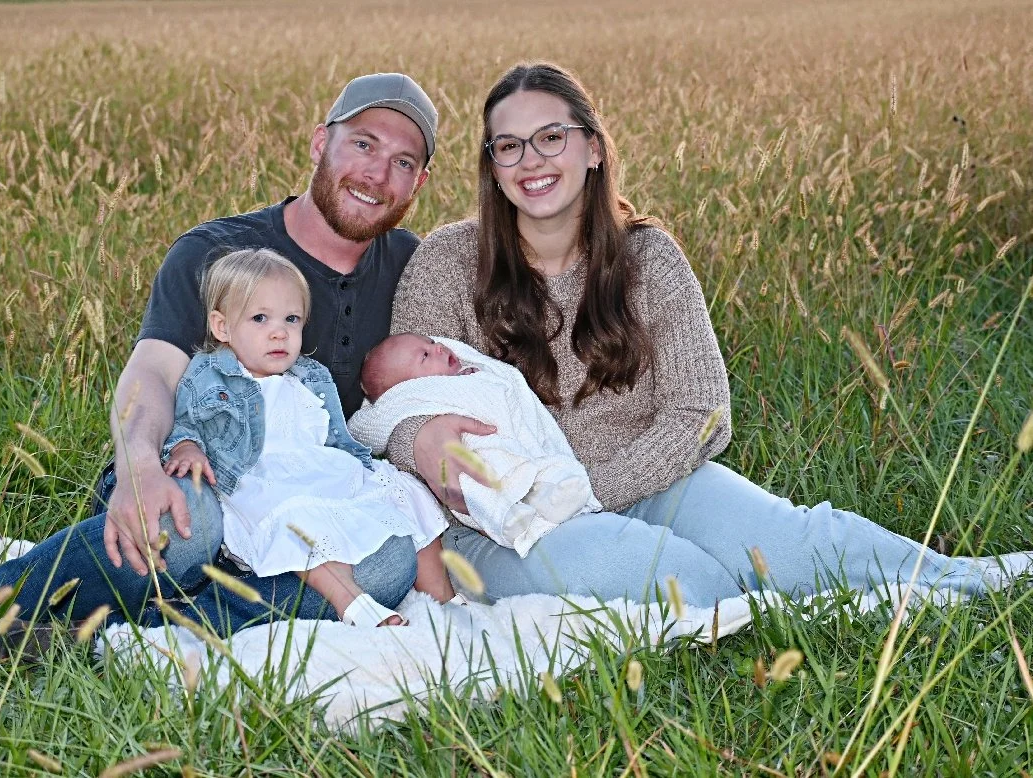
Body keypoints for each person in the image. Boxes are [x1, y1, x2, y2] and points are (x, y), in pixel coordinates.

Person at [384, 61, 1033, 607]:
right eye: (509, 145)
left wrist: (592, 492)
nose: (531, 161)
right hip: (505, 521)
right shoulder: (446, 263)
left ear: (593, 148)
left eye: (551, 137)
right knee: (653, 574)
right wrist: (424, 444)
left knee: (786, 545)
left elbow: (702, 412)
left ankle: (968, 580)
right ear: (491, 165)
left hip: (651, 479)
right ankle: (751, 607)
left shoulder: (648, 258)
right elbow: (398, 410)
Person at [0, 73, 440, 656]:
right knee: (187, 526)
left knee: (386, 568)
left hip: (300, 502)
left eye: (402, 162)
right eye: (363, 144)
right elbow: (153, 374)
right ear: (322, 143)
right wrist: (140, 461)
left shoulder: (414, 270)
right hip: (198, 473)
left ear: (418, 182)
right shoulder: (217, 252)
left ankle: (93, 642)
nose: (376, 174)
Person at [161, 248, 457, 626]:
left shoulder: (311, 377)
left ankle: (443, 603)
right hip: (264, 484)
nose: (279, 331)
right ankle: (354, 605)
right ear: (222, 327)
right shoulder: (210, 375)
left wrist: (366, 473)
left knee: (404, 490)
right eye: (260, 318)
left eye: (292, 319)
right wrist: (187, 447)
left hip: (320, 473)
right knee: (302, 519)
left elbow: (336, 440)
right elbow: (184, 422)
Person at [351, 333, 602, 557]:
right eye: (425, 355)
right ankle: (507, 518)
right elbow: (413, 428)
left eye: (431, 342)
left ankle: (551, 496)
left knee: (545, 471)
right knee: (476, 481)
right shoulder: (418, 399)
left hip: (512, 442)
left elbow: (506, 389)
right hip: (476, 451)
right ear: (407, 388)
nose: (438, 347)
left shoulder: (471, 371)